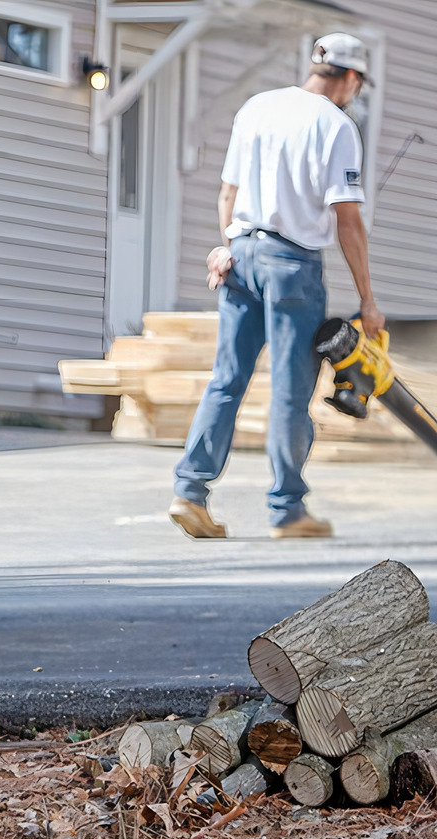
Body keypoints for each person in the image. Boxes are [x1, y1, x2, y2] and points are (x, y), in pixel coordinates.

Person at [170, 32, 385, 540]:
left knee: (227, 379)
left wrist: (226, 244)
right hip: (292, 266)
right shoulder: (337, 125)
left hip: (240, 255)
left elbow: (228, 191)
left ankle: (190, 492)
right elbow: (348, 220)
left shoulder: (258, 108)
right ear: (351, 79)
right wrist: (368, 301)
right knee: (291, 391)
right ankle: (287, 511)